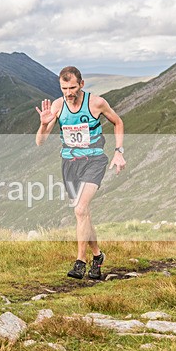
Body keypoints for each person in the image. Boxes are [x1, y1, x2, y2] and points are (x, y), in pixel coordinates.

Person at [35, 66, 125, 280]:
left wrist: (118, 152)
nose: (69, 93)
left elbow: (118, 122)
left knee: (80, 209)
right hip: (69, 164)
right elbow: (40, 142)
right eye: (64, 88)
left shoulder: (96, 103)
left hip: (94, 161)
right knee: (83, 214)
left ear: (81, 84)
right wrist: (43, 124)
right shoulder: (57, 106)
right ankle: (98, 256)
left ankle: (80, 262)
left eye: (73, 87)